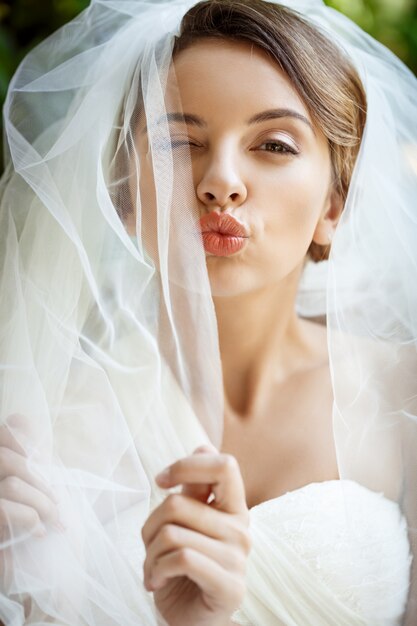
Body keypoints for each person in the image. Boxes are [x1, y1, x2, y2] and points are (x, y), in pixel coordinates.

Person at [0, 0, 416, 624]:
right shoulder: (42, 433)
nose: (220, 182)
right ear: (123, 197)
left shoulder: (404, 394)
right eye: (178, 142)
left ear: (335, 202)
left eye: (273, 144)